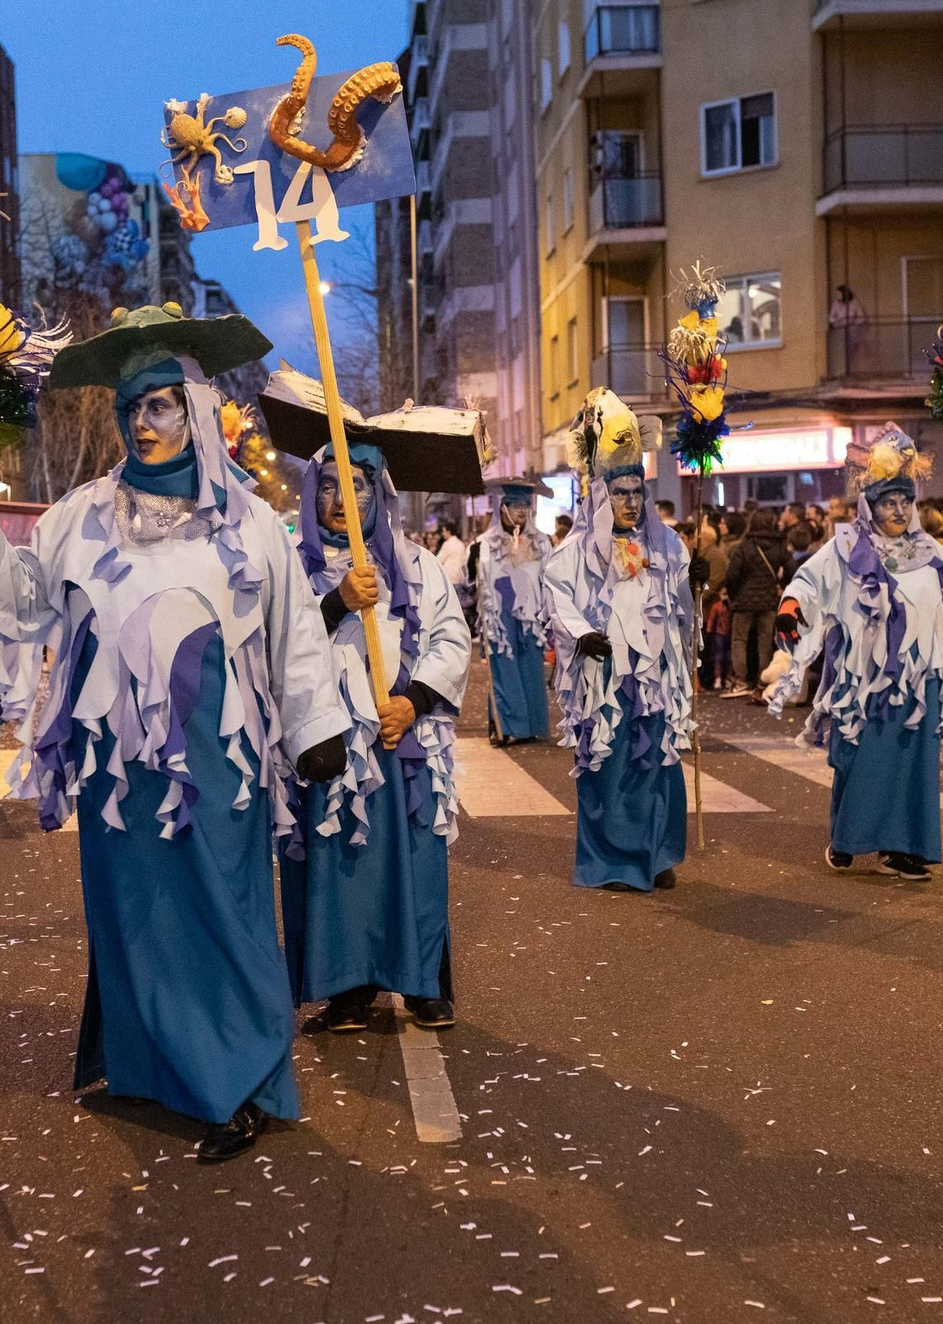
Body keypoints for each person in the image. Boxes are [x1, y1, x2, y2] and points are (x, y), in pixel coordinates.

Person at [0, 304, 349, 1162]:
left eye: (160, 405)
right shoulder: (79, 514)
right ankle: (151, 1065)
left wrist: (315, 725)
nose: (143, 424)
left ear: (193, 407)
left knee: (224, 908)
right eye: (130, 408)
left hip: (220, 761)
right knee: (134, 911)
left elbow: (292, 626)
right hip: (118, 772)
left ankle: (241, 1078)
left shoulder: (250, 519)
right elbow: (31, 609)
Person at [279, 439, 469, 1032]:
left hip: (401, 745)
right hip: (331, 747)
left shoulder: (416, 564)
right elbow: (276, 643)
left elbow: (452, 640)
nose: (341, 500)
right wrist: (335, 603)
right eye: (329, 486)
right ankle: (348, 988)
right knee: (341, 862)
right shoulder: (292, 567)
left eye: (356, 486)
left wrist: (413, 702)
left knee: (416, 861)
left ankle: (421, 984)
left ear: (378, 495)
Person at [764, 426, 943, 881]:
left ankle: (906, 848)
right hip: (865, 680)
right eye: (887, 503)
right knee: (861, 757)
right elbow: (808, 581)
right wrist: (792, 608)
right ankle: (849, 838)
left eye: (904, 502)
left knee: (914, 764)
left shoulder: (934, 553)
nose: (897, 511)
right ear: (869, 505)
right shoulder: (845, 549)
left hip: (919, 682)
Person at [543, 388, 696, 893]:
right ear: (602, 497)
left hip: (654, 676)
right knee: (608, 767)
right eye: (620, 493)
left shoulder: (667, 543)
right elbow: (557, 592)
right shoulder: (576, 550)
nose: (630, 502)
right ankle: (608, 858)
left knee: (656, 762)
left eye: (637, 492)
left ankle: (657, 854)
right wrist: (584, 634)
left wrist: (695, 581)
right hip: (605, 680)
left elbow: (679, 603)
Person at [475, 478, 554, 744]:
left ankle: (532, 724)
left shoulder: (541, 542)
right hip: (500, 614)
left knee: (531, 667)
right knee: (504, 668)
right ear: (502, 508)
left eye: (524, 504)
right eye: (513, 504)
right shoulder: (485, 543)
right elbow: (474, 581)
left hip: (531, 615)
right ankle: (506, 727)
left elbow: (550, 578)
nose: (520, 510)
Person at [722, 507, 787, 699]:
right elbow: (792, 568)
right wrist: (781, 585)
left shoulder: (745, 546)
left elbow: (732, 575)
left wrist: (734, 595)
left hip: (743, 601)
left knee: (739, 641)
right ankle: (762, 680)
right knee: (765, 641)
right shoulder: (779, 546)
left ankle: (741, 681)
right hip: (769, 600)